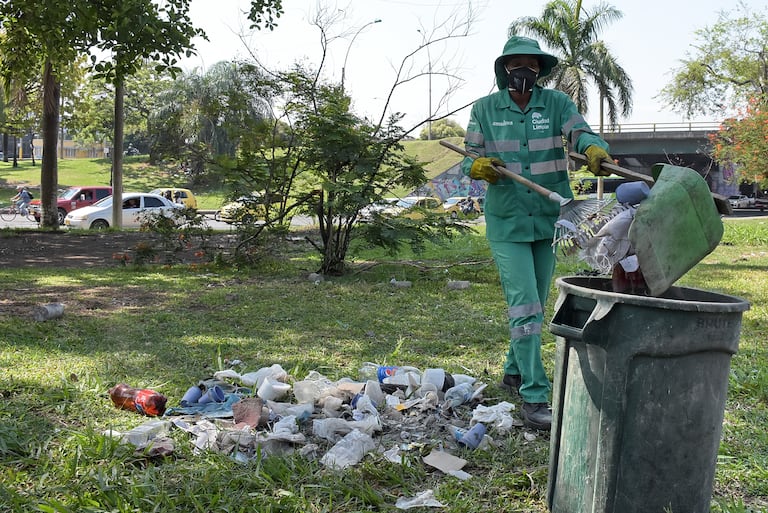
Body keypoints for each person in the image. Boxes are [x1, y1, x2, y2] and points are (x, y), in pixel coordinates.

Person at [461, 36, 612, 430]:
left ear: (540, 70)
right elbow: (469, 159)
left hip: (549, 219)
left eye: (531, 66)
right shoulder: (485, 110)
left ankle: (513, 370)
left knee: (537, 306)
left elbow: (581, 134)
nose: (523, 73)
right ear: (504, 70)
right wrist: (478, 168)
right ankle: (533, 394)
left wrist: (595, 149)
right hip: (507, 222)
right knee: (524, 305)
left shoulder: (557, 104)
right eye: (516, 67)